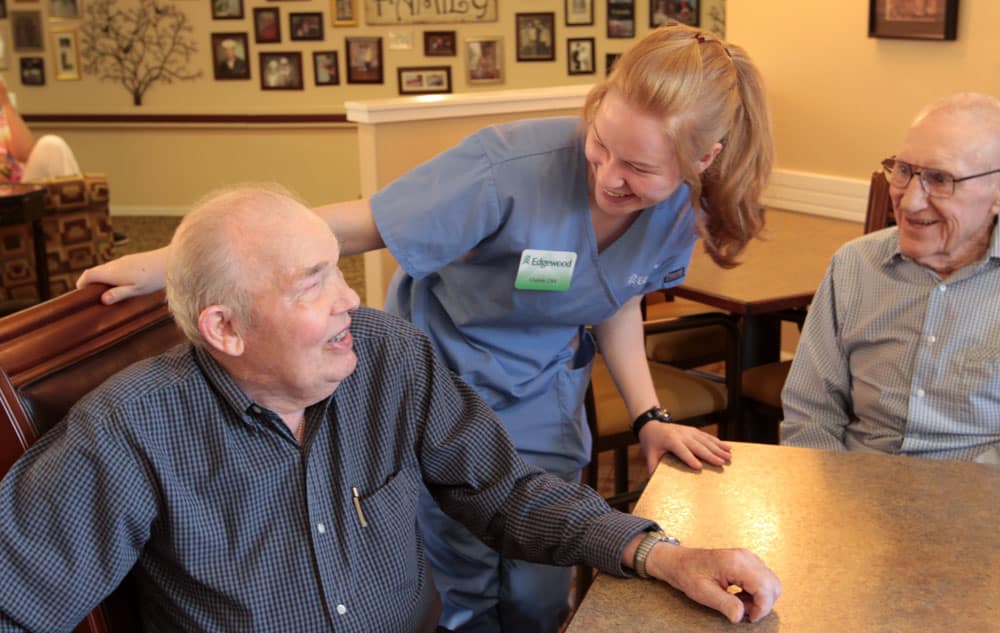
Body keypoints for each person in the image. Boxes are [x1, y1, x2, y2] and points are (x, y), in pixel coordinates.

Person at [77, 24, 775, 633]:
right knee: (462, 588)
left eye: (639, 168)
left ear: (700, 161)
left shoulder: (681, 209)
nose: (608, 175)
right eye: (599, 145)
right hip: (444, 391)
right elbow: (356, 224)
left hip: (543, 405)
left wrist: (649, 412)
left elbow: (613, 294)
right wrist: (176, 264)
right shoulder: (507, 168)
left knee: (540, 587)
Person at [0, 186, 782, 632]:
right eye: (313, 284)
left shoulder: (386, 356)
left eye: (339, 271)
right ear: (225, 328)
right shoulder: (133, 428)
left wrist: (659, 553)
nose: (350, 300)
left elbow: (506, 493)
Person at [781, 93, 1000, 464]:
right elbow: (810, 411)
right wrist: (828, 500)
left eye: (940, 179)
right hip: (856, 488)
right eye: (903, 171)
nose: (910, 201)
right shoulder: (855, 265)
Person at [0, 75, 80, 183]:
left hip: (20, 192)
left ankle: (73, 196)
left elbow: (25, 153)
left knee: (51, 144)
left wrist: (6, 103)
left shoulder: (3, 119)